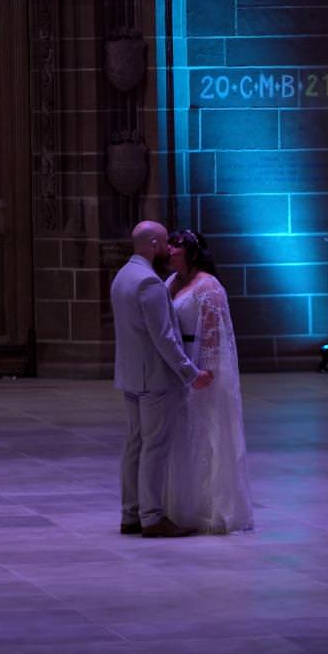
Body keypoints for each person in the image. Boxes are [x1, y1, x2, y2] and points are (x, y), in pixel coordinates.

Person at [113, 220, 213, 538]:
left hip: (129, 374)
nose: (168, 249)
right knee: (153, 447)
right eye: (165, 243)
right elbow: (164, 338)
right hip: (153, 378)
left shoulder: (122, 276)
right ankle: (152, 517)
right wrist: (190, 373)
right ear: (154, 244)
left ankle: (130, 514)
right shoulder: (150, 283)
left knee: (134, 445)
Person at [161, 229, 255, 534]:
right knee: (180, 433)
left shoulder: (208, 286)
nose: (169, 249)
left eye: (175, 245)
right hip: (176, 359)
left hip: (199, 361)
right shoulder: (171, 283)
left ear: (191, 252)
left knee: (206, 431)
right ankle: (181, 503)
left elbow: (214, 331)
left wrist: (205, 370)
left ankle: (212, 506)